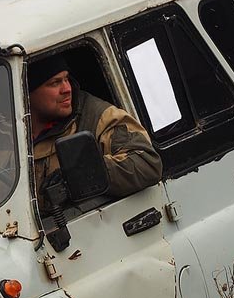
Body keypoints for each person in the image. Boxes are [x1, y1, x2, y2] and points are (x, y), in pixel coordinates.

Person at [27, 54, 162, 201]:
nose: (67, 89)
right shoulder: (3, 133)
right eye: (55, 83)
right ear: (28, 93)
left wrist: (81, 175)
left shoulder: (98, 117)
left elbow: (147, 164)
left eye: (66, 79)